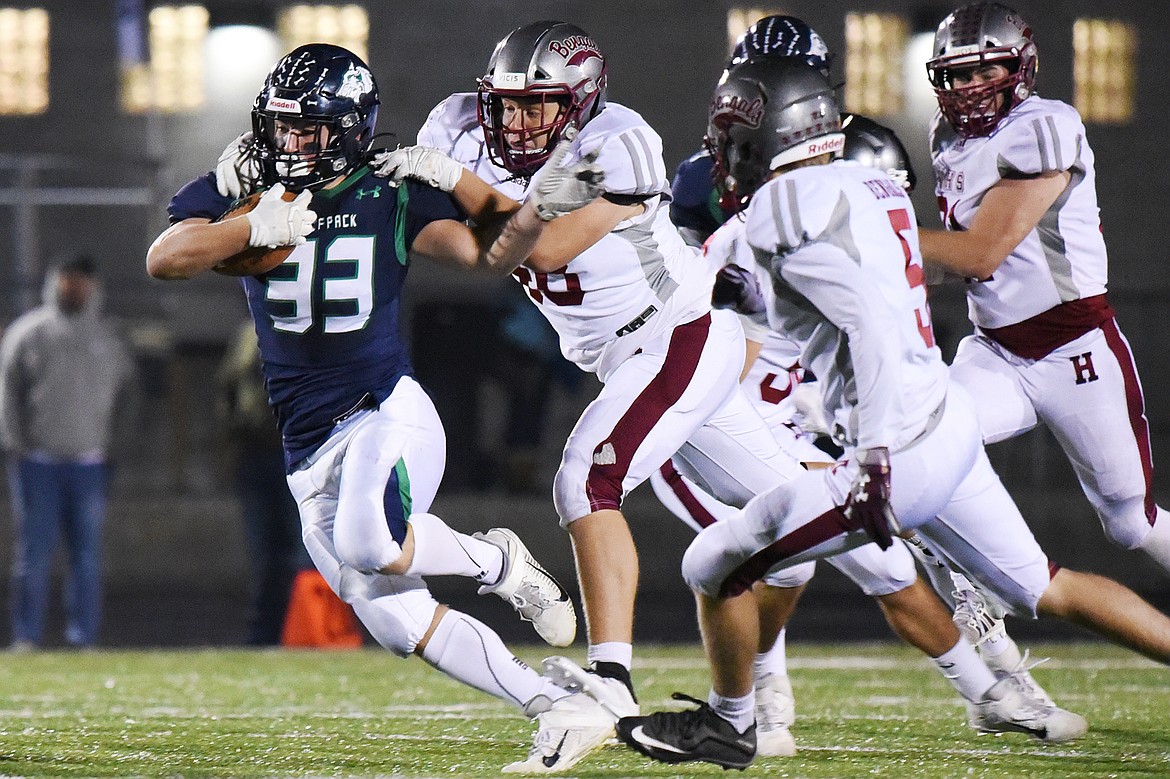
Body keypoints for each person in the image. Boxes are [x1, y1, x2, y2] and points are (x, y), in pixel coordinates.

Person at [615, 57, 1170, 770]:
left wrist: (873, 456)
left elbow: (864, 321)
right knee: (1045, 584)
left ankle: (732, 723)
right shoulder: (870, 183)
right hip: (946, 421)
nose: (722, 155)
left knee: (713, 562)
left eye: (733, 139)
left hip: (895, 452)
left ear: (774, 133)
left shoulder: (778, 212)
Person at [150, 43, 616, 774]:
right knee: (397, 622)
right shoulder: (246, 187)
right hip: (305, 447)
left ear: (353, 130)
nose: (291, 143)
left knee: (371, 541)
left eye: (310, 129)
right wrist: (248, 226)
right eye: (282, 127)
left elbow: (493, 254)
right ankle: (557, 707)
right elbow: (165, 256)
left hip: (383, 410)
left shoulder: (388, 190)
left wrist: (458, 179)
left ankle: (495, 560)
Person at [919, 3, 1170, 584]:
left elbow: (981, 253)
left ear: (1021, 68)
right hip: (994, 350)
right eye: (959, 74)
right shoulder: (946, 138)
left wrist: (880, 232)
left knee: (1131, 522)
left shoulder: (1045, 124)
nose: (971, 88)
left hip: (1072, 348)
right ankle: (969, 586)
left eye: (986, 72)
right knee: (926, 445)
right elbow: (953, 264)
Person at [0, 255, 132, 649]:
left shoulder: (109, 336)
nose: (74, 288)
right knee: (33, 556)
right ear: (55, 282)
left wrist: (114, 446)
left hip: (89, 462)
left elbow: (130, 397)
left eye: (81, 281)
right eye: (67, 280)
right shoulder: (28, 333)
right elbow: (7, 393)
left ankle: (83, 636)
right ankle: (27, 636)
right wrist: (17, 446)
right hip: (39, 462)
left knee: (87, 557)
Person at [215, 320, 308, 645]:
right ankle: (265, 635)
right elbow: (228, 390)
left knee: (305, 549)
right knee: (265, 555)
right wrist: (230, 442)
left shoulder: (301, 323)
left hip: (294, 452)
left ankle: (305, 630)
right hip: (254, 452)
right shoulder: (246, 334)